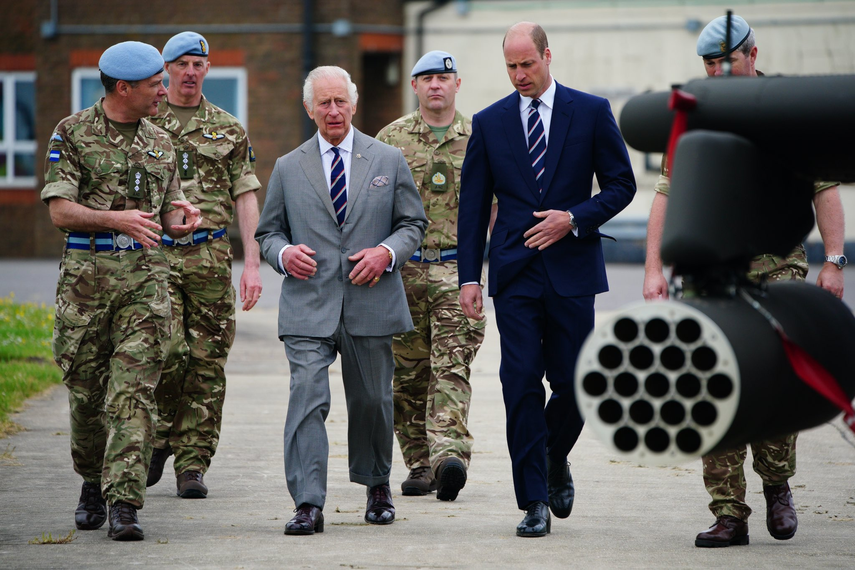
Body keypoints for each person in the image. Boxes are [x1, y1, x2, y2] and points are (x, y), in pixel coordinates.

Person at [641, 14, 846, 548]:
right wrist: (653, 270)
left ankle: (777, 485)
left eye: (726, 59)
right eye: (709, 63)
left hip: (779, 269)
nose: (718, 70)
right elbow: (667, 193)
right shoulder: (695, 116)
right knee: (710, 383)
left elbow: (824, 190)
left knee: (777, 380)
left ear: (753, 54)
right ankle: (729, 512)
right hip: (709, 276)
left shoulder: (786, 113)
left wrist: (835, 260)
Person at [457, 22, 637, 537]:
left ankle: (555, 458)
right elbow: (472, 208)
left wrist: (574, 218)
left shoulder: (591, 111)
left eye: (527, 65)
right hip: (514, 274)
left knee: (577, 386)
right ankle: (533, 499)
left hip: (572, 271)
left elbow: (621, 185)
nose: (519, 76)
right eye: (510, 67)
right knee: (519, 384)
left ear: (547, 56)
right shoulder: (489, 123)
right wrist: (471, 276)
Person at [255, 66, 427, 535]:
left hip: (371, 300)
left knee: (372, 399)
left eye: (341, 102)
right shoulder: (289, 167)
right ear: (309, 108)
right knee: (307, 399)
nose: (333, 111)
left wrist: (387, 252)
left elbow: (413, 223)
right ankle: (308, 502)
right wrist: (284, 253)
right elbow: (268, 232)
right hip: (308, 305)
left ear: (354, 105)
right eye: (324, 103)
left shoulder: (388, 160)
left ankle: (377, 486)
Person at [41, 41, 201, 541]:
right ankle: (92, 480)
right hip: (86, 286)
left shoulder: (162, 139)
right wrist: (116, 219)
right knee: (87, 396)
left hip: (145, 283)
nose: (164, 89)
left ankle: (125, 503)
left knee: (133, 394)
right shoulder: (72, 133)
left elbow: (170, 203)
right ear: (123, 87)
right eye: (156, 83)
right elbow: (60, 211)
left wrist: (180, 220)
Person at [146, 31, 263, 499]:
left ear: (207, 69)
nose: (190, 71)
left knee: (208, 362)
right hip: (157, 255)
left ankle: (192, 463)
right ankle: (160, 437)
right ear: (166, 70)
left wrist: (252, 262)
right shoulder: (146, 124)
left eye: (198, 63)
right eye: (181, 64)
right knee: (168, 352)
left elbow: (246, 195)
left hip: (212, 257)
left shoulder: (228, 128)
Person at [376, 50, 491, 501]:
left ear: (457, 84)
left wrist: (483, 271)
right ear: (415, 86)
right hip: (403, 271)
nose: (436, 85)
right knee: (407, 375)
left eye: (444, 77)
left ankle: (448, 456)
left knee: (451, 365)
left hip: (457, 270)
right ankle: (419, 464)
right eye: (426, 79)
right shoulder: (391, 139)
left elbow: (497, 206)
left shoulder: (481, 136)